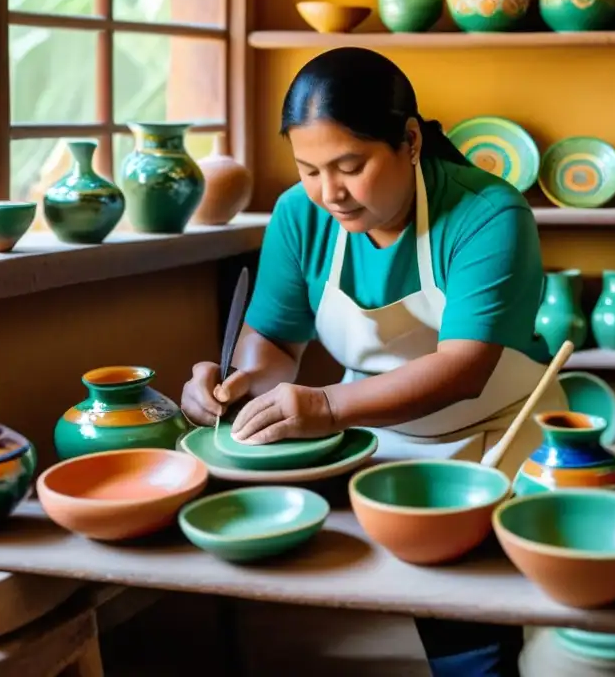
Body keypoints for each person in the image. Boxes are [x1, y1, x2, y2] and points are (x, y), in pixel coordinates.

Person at [180, 46, 568, 676]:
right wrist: (238, 383)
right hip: (375, 434)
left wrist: (329, 404)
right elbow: (276, 342)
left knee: (474, 626)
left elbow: (464, 367)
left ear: (410, 141)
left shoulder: (487, 213)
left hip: (498, 439)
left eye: (350, 166)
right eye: (308, 169)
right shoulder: (298, 215)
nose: (329, 192)